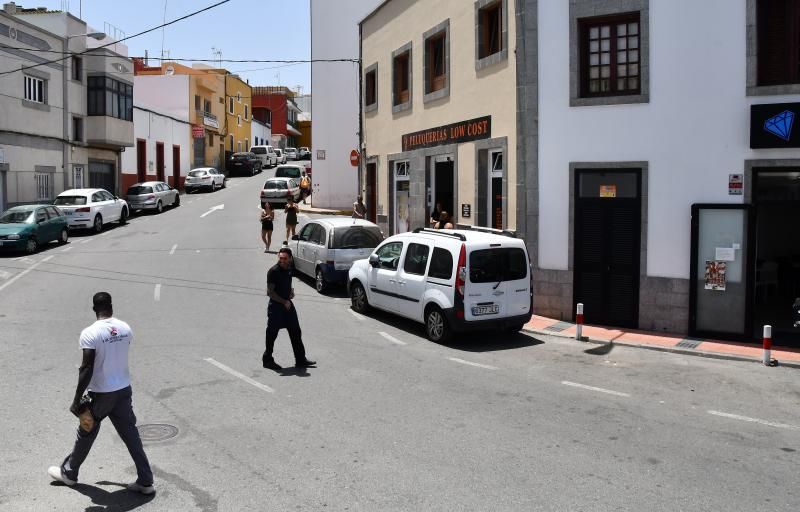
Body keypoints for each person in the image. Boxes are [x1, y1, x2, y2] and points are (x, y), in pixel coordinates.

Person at [48, 292, 154, 495]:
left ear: (94, 309)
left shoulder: (90, 333)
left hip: (101, 394)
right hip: (123, 390)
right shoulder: (125, 328)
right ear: (111, 306)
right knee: (130, 434)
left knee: (86, 431)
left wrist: (76, 399)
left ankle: (69, 474)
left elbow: (86, 368)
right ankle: (145, 480)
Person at [263, 247, 316, 371]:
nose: (282, 260)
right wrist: (284, 301)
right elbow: (270, 292)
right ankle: (267, 359)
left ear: (290, 259)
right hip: (276, 307)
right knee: (272, 334)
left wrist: (290, 292)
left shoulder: (290, 268)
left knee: (296, 331)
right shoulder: (273, 271)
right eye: (280, 258)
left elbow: (287, 283)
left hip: (287, 305)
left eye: (284, 258)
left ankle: (300, 359)